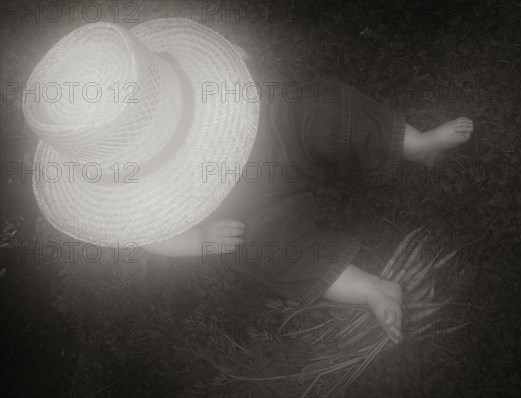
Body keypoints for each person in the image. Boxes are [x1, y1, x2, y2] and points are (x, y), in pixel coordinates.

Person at [24, 18, 472, 345]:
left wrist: (232, 63)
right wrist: (202, 240)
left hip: (271, 134)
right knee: (267, 252)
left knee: (324, 107)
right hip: (245, 214)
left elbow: (225, 59)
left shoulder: (185, 93)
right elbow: (156, 240)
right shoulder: (139, 194)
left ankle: (414, 143)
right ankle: (371, 288)